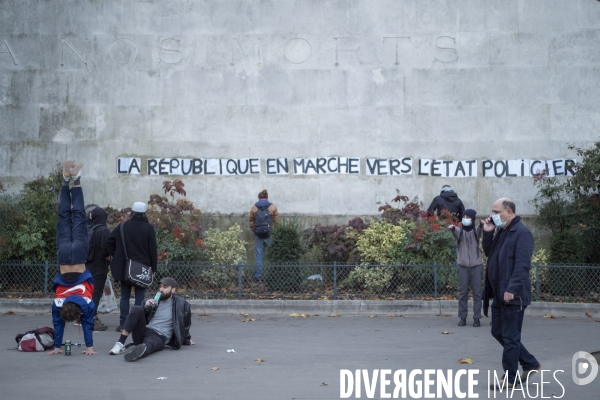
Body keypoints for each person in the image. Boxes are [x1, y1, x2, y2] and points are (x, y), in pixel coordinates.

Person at [482, 198, 541, 390]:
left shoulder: (522, 233)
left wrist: (512, 288)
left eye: (496, 211)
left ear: (509, 212)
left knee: (510, 337)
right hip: (500, 294)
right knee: (498, 331)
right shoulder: (502, 231)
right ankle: (530, 363)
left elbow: (522, 265)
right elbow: (490, 252)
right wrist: (488, 233)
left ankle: (510, 378)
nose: (492, 215)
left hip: (512, 295)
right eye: (492, 211)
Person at [47, 161, 97, 356]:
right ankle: (65, 179)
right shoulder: (58, 303)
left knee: (78, 216)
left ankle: (76, 180)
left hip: (79, 257)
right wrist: (56, 347)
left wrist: (90, 348)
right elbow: (57, 323)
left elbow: (88, 324)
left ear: (78, 314)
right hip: (63, 257)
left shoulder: (85, 303)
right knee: (63, 217)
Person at [109, 277, 194, 361]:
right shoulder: (155, 300)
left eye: (165, 287)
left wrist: (187, 340)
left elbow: (186, 324)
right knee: (137, 309)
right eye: (160, 286)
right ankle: (120, 343)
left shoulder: (181, 304)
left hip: (160, 336)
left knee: (149, 344)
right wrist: (145, 307)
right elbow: (141, 315)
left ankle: (138, 352)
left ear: (173, 290)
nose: (161, 289)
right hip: (144, 330)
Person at [106, 201, 158, 332]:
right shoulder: (148, 228)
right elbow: (153, 250)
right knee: (140, 296)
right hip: (142, 268)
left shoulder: (123, 227)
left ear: (132, 212)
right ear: (144, 213)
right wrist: (154, 268)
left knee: (124, 296)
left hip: (125, 267)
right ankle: (137, 323)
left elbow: (109, 243)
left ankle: (123, 323)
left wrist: (117, 255)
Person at [448, 209, 483, 327]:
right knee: (463, 293)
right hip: (462, 266)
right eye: (464, 216)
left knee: (477, 293)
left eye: (468, 217)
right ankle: (462, 317)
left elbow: (479, 231)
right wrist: (452, 228)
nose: (465, 219)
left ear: (472, 219)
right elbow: (455, 231)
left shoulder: (475, 231)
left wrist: (482, 225)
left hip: (476, 265)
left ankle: (477, 318)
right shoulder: (460, 232)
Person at [85, 205, 110, 331]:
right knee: (96, 293)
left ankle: (87, 317)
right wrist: (108, 257)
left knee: (89, 292)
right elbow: (106, 248)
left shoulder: (89, 229)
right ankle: (92, 320)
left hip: (88, 265)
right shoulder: (103, 230)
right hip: (99, 266)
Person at [249, 189, 279, 281]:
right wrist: (272, 231)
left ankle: (258, 277)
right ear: (267, 198)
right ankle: (273, 276)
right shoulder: (272, 207)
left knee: (259, 258)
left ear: (259, 198)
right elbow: (276, 222)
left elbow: (251, 223)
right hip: (269, 235)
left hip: (259, 236)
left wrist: (256, 231)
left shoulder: (254, 208)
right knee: (273, 256)